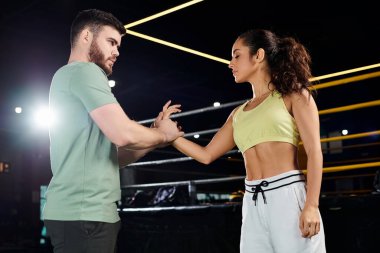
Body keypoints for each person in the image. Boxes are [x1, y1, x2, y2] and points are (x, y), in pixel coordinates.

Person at [157, 29, 326, 252]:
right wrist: (170, 137)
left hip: (288, 195)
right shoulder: (238, 113)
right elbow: (207, 155)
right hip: (253, 201)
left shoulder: (294, 95)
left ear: (259, 56)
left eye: (237, 55)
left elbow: (315, 151)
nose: (230, 63)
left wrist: (311, 205)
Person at [42, 9, 183, 253]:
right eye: (111, 42)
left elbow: (114, 157)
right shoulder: (84, 71)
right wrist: (165, 135)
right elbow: (123, 134)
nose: (117, 51)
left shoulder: (66, 76)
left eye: (118, 45)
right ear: (86, 36)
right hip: (85, 215)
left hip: (82, 214)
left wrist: (153, 136)